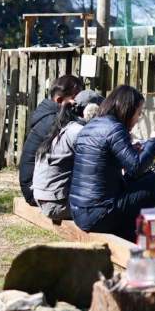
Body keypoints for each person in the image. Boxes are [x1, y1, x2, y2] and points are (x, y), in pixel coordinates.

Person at [69, 84, 155, 241]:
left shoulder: (91, 126)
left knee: (145, 178)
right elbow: (136, 167)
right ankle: (146, 238)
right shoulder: (115, 128)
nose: (138, 119)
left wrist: (133, 150)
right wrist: (154, 141)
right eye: (139, 113)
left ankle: (133, 231)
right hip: (99, 213)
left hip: (79, 210)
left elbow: (104, 162)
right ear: (128, 110)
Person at [32, 89, 105, 222]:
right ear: (92, 112)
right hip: (56, 204)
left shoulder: (66, 126)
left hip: (45, 198)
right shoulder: (79, 132)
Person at [19, 74, 85, 205]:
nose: (79, 104)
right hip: (37, 191)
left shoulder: (48, 114)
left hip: (38, 187)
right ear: (59, 100)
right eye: (75, 99)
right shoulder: (54, 120)